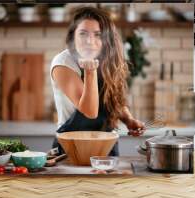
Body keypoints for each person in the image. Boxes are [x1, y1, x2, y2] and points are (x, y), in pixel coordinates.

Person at [50, 7, 145, 156]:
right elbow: (89, 111)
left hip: (106, 144)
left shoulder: (108, 59)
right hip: (71, 146)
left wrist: (128, 119)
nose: (89, 41)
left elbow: (113, 97)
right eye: (83, 34)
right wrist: (90, 71)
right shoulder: (63, 62)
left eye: (98, 35)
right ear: (73, 36)